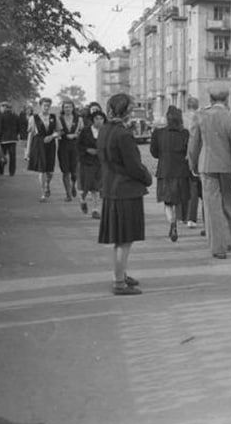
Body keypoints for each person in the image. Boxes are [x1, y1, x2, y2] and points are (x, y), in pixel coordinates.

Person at [98, 93, 152, 296]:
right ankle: (119, 281)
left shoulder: (105, 130)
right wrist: (147, 177)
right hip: (125, 191)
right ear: (126, 110)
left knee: (120, 239)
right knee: (125, 240)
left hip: (111, 188)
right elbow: (133, 166)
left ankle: (120, 274)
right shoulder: (123, 134)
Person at [189, 83, 231, 259]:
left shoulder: (200, 116)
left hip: (207, 165)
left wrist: (193, 164)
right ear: (226, 99)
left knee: (212, 207)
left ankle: (218, 247)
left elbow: (194, 143)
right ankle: (229, 240)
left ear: (210, 99)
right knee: (229, 203)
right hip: (227, 167)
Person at [150, 105, 192, 243]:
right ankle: (177, 220)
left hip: (165, 171)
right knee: (178, 200)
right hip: (181, 171)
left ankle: (172, 223)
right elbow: (189, 152)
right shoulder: (185, 133)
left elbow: (154, 152)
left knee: (167, 201)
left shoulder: (158, 133)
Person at [25, 97, 60, 202]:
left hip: (50, 144)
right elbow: (30, 135)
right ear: (40, 106)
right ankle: (43, 192)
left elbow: (59, 131)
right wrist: (27, 151)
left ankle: (47, 184)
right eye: (45, 105)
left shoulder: (54, 117)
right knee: (42, 169)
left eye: (48, 105)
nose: (46, 107)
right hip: (38, 144)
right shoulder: (33, 118)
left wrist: (52, 136)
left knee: (50, 171)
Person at [78, 109, 105, 218]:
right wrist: (87, 150)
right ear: (92, 120)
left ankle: (95, 210)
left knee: (96, 187)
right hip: (87, 162)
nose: (99, 121)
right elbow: (78, 145)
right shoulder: (85, 131)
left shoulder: (105, 131)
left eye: (101, 119)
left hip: (100, 162)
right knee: (86, 186)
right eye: (96, 119)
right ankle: (82, 200)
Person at [185, 97, 204, 232]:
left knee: (192, 189)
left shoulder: (184, 117)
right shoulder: (202, 117)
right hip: (204, 157)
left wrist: (191, 162)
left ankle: (191, 218)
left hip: (190, 157)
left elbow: (192, 143)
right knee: (205, 192)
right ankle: (207, 219)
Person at [57, 100, 81, 201]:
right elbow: (57, 131)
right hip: (63, 146)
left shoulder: (79, 119)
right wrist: (59, 134)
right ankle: (68, 194)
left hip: (75, 146)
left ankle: (73, 185)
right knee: (65, 171)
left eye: (70, 107)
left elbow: (82, 132)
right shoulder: (59, 119)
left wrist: (75, 135)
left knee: (74, 172)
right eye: (66, 107)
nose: (68, 109)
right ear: (63, 108)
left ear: (73, 108)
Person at [0, 101, 20, 176]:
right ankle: (12, 172)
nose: (1, 108)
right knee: (12, 156)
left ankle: (1, 170)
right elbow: (18, 127)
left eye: (1, 107)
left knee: (1, 155)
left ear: (5, 107)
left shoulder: (1, 116)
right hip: (13, 139)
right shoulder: (16, 116)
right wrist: (16, 134)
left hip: (3, 139)